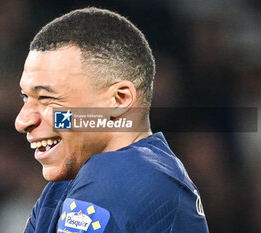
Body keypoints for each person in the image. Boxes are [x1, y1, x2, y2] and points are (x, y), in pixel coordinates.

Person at [15, 7, 209, 233]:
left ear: (119, 100)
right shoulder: (60, 191)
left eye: (47, 98)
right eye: (25, 97)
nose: (22, 120)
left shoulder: (122, 175)